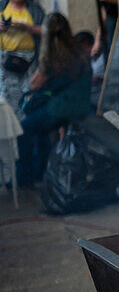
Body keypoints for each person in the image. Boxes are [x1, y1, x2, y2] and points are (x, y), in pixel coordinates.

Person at [17, 13, 92, 185]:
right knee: (41, 129)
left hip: (60, 108)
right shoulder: (79, 51)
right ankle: (40, 171)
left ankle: (25, 177)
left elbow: (34, 84)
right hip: (81, 105)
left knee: (24, 130)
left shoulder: (52, 56)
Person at [0, 0, 45, 115]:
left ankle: (27, 128)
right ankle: (12, 130)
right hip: (6, 59)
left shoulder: (34, 9)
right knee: (7, 96)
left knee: (29, 93)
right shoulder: (1, 7)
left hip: (30, 59)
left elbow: (46, 30)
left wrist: (27, 27)